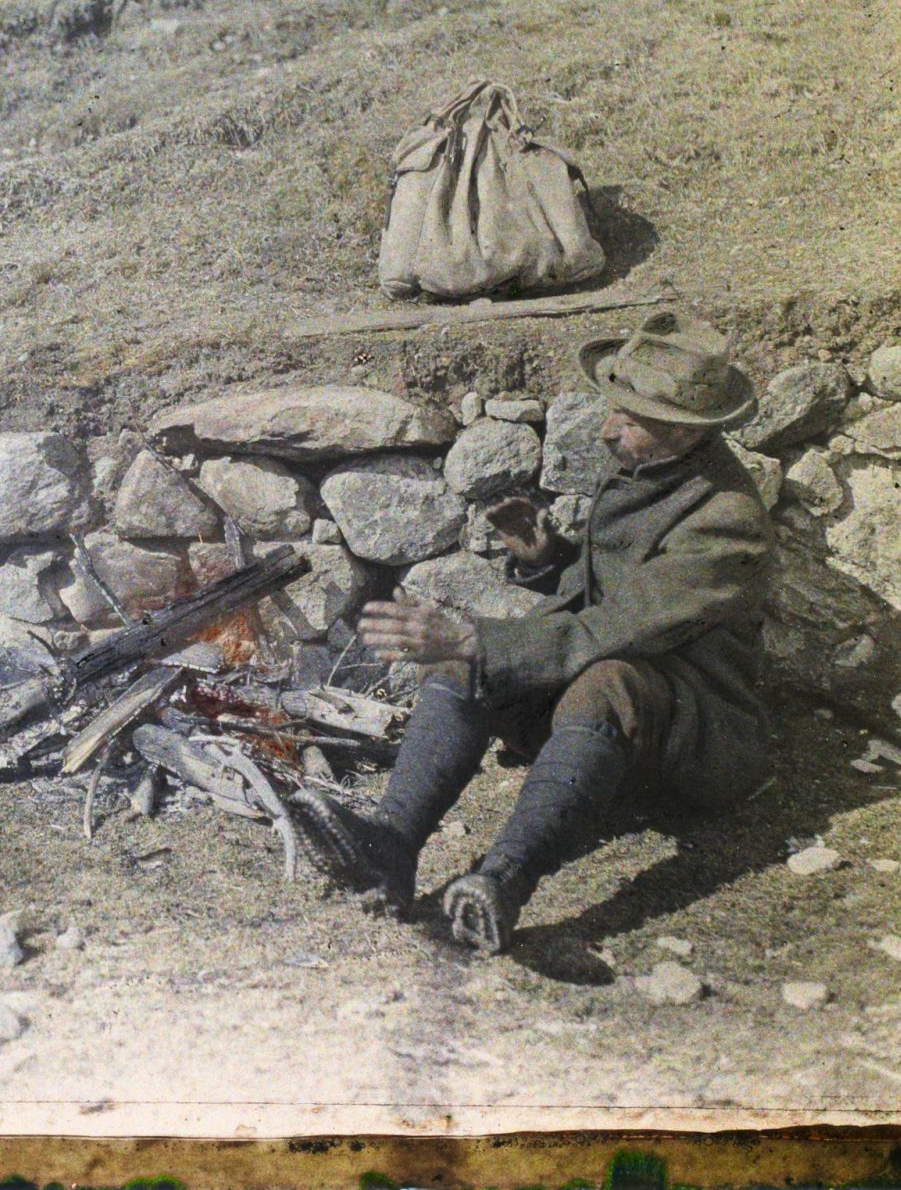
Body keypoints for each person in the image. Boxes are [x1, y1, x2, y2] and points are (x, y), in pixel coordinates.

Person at [291, 311, 775, 954]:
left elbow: (622, 625)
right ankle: (390, 847)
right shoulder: (652, 467)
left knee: (598, 679)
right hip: (610, 711)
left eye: (631, 420)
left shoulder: (726, 519)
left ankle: (502, 882)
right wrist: (550, 559)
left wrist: (476, 638)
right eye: (615, 409)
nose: (606, 430)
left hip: (693, 736)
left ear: (685, 430)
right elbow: (619, 592)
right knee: (465, 669)